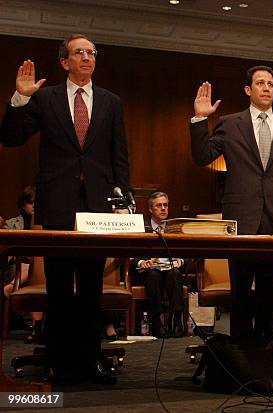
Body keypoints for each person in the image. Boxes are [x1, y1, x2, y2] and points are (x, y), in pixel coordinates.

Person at [0, 34, 130, 384]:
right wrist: (19, 99)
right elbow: (11, 138)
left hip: (98, 207)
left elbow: (120, 155)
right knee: (58, 286)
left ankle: (89, 360)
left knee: (90, 287)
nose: (87, 57)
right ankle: (57, 360)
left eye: (92, 53)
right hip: (57, 201)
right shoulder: (45, 98)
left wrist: (123, 202)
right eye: (79, 53)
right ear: (64, 62)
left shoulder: (110, 101)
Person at [190, 65, 273, 340]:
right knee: (240, 291)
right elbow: (202, 156)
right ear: (248, 90)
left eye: (271, 84)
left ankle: (267, 353)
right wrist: (199, 119)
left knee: (270, 291)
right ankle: (240, 353)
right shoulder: (231, 123)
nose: (267, 88)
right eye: (260, 83)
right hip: (241, 218)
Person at [130, 192, 186, 338]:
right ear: (150, 209)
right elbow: (132, 254)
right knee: (153, 275)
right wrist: (142, 262)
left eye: (165, 205)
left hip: (170, 269)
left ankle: (177, 320)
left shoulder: (176, 228)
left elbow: (188, 252)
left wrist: (181, 260)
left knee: (175, 273)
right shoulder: (142, 228)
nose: (163, 209)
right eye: (159, 205)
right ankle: (157, 322)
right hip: (150, 271)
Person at [3, 186, 44, 343]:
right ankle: (37, 326)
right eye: (30, 203)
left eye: (37, 203)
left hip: (40, 266)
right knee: (29, 261)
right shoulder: (12, 224)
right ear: (22, 205)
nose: (34, 206)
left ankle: (36, 326)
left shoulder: (47, 223)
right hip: (18, 265)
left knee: (37, 265)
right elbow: (7, 253)